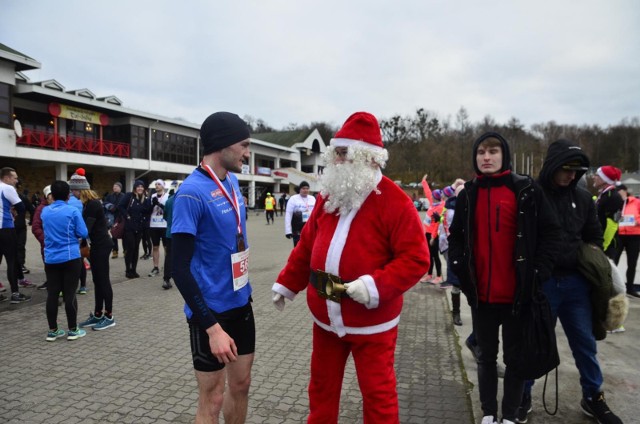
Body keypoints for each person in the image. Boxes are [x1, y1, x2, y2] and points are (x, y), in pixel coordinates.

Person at [272, 111, 430, 423]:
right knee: (321, 387)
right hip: (325, 318)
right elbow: (307, 244)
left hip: (372, 322)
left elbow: (416, 259)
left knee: (378, 393)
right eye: (338, 153)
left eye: (347, 154)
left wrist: (374, 285)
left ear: (370, 158)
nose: (340, 161)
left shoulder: (395, 201)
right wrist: (287, 284)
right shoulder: (328, 196)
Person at [448, 132, 560, 424]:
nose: (486, 157)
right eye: (481, 152)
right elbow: (456, 236)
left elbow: (551, 233)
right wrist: (460, 266)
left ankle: (509, 415)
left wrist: (540, 273)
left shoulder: (526, 189)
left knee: (515, 360)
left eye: (493, 151)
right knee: (485, 358)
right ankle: (488, 412)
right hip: (481, 296)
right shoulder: (467, 194)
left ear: (504, 155)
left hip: (517, 296)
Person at [516, 139, 623, 424]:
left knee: (585, 344)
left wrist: (593, 256)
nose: (571, 175)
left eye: (576, 171)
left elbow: (595, 234)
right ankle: (523, 396)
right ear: (553, 166)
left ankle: (593, 397)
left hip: (577, 284)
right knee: (535, 342)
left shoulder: (584, 197)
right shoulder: (533, 194)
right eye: (566, 169)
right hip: (544, 283)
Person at [171, 111, 253, 423]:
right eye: (244, 144)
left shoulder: (232, 182)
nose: (247, 152)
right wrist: (213, 328)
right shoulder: (191, 193)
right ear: (222, 145)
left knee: (242, 385)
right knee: (213, 396)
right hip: (210, 313)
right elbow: (179, 268)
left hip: (241, 302)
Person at [68, 171, 116, 331]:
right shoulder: (88, 204)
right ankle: (97, 313)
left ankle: (109, 316)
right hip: (97, 244)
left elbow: (85, 229)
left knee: (103, 280)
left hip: (102, 245)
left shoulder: (93, 204)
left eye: (73, 190)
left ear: (80, 189)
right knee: (97, 280)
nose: (72, 193)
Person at [41, 180, 89, 341]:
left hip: (51, 258)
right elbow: (83, 232)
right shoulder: (73, 211)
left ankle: (53, 330)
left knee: (52, 294)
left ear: (52, 195)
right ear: (68, 195)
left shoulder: (45, 211)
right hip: (70, 256)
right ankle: (73, 329)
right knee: (69, 294)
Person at [0, 167, 31, 304]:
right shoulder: (7, 188)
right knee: (11, 261)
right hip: (6, 228)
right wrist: (14, 211)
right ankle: (15, 293)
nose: (16, 181)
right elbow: (21, 206)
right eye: (14, 178)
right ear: (6, 178)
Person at [119, 180, 150, 279]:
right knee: (130, 248)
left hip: (139, 228)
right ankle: (128, 270)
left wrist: (150, 201)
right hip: (129, 227)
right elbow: (120, 206)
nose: (140, 188)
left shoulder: (144, 198)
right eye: (138, 186)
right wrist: (127, 216)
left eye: (142, 187)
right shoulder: (129, 196)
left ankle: (134, 270)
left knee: (136, 249)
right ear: (135, 188)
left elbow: (147, 211)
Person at [593, 165, 624, 260]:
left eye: (597, 175)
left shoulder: (613, 197)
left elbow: (613, 224)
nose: (594, 177)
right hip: (599, 242)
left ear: (604, 179)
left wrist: (603, 246)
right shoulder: (604, 195)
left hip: (608, 245)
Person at [615, 185, 640, 298]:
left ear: (625, 192)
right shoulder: (617, 203)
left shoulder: (636, 202)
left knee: (632, 263)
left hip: (634, 235)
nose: (619, 196)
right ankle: (611, 287)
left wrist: (637, 221)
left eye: (620, 193)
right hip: (619, 235)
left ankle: (630, 288)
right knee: (614, 261)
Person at [420, 174, 444, 284]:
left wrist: (433, 238)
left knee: (435, 256)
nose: (431, 198)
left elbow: (436, 224)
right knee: (429, 255)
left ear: (436, 198)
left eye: (433, 197)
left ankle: (439, 276)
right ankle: (429, 274)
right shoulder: (433, 202)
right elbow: (428, 192)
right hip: (427, 233)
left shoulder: (439, 208)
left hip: (434, 235)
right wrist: (424, 181)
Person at [31, 185, 52, 290]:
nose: (53, 198)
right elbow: (35, 227)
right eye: (50, 195)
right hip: (47, 244)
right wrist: (45, 240)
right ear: (46, 196)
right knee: (49, 265)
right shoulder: (41, 209)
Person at [146, 179, 169, 278]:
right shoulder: (152, 196)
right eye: (156, 184)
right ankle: (155, 267)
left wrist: (159, 204)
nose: (157, 185)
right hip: (154, 225)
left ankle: (168, 266)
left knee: (166, 247)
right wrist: (152, 204)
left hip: (164, 225)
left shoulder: (168, 196)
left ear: (163, 186)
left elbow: (168, 210)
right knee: (155, 246)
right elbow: (148, 210)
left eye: (159, 184)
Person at [284, 180, 316, 247]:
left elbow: (316, 213)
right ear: (300, 189)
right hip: (297, 228)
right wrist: (288, 231)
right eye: (303, 188)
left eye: (307, 188)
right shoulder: (293, 199)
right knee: (298, 247)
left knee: (310, 247)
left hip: (310, 227)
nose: (305, 190)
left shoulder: (312, 198)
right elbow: (288, 214)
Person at [105, 182, 124, 259]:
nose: (114, 187)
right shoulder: (110, 196)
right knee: (114, 234)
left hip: (121, 217)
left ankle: (125, 251)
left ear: (120, 188)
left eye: (116, 186)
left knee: (123, 234)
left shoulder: (123, 196)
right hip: (112, 217)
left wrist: (117, 207)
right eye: (114, 186)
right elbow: (105, 203)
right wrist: (110, 206)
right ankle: (115, 251)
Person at [161, 186, 176, 290]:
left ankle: (166, 279)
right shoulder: (185, 200)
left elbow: (165, 216)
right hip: (183, 233)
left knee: (169, 256)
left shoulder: (169, 201)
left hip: (170, 232)